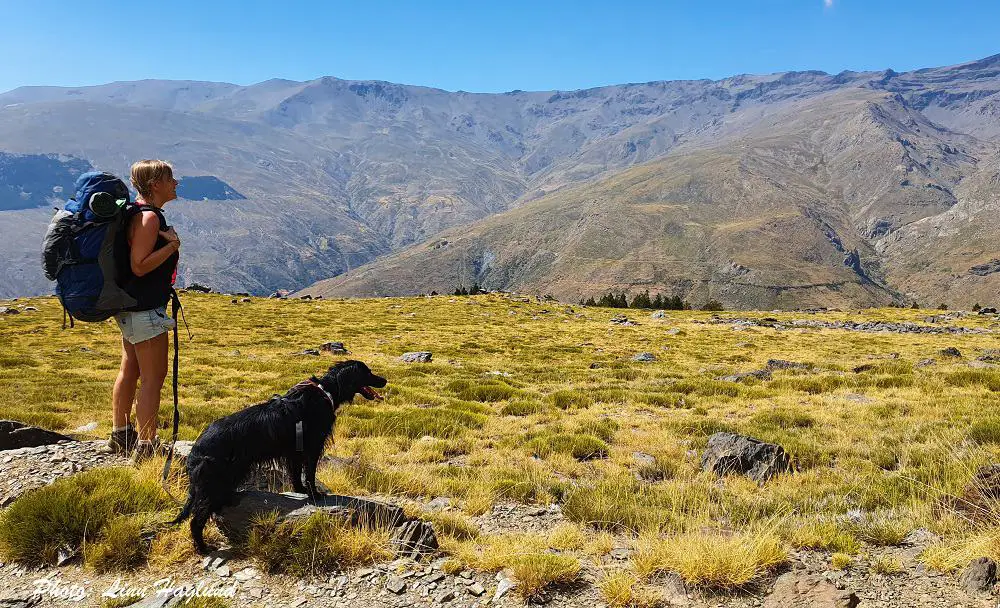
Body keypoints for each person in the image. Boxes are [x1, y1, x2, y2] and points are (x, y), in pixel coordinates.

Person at [106, 160, 181, 464]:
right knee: (153, 378)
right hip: (145, 311)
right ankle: (146, 447)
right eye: (169, 178)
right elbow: (139, 265)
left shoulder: (135, 214)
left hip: (129, 308)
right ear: (154, 185)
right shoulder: (150, 219)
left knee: (130, 370)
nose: (176, 183)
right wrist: (172, 245)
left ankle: (121, 435)